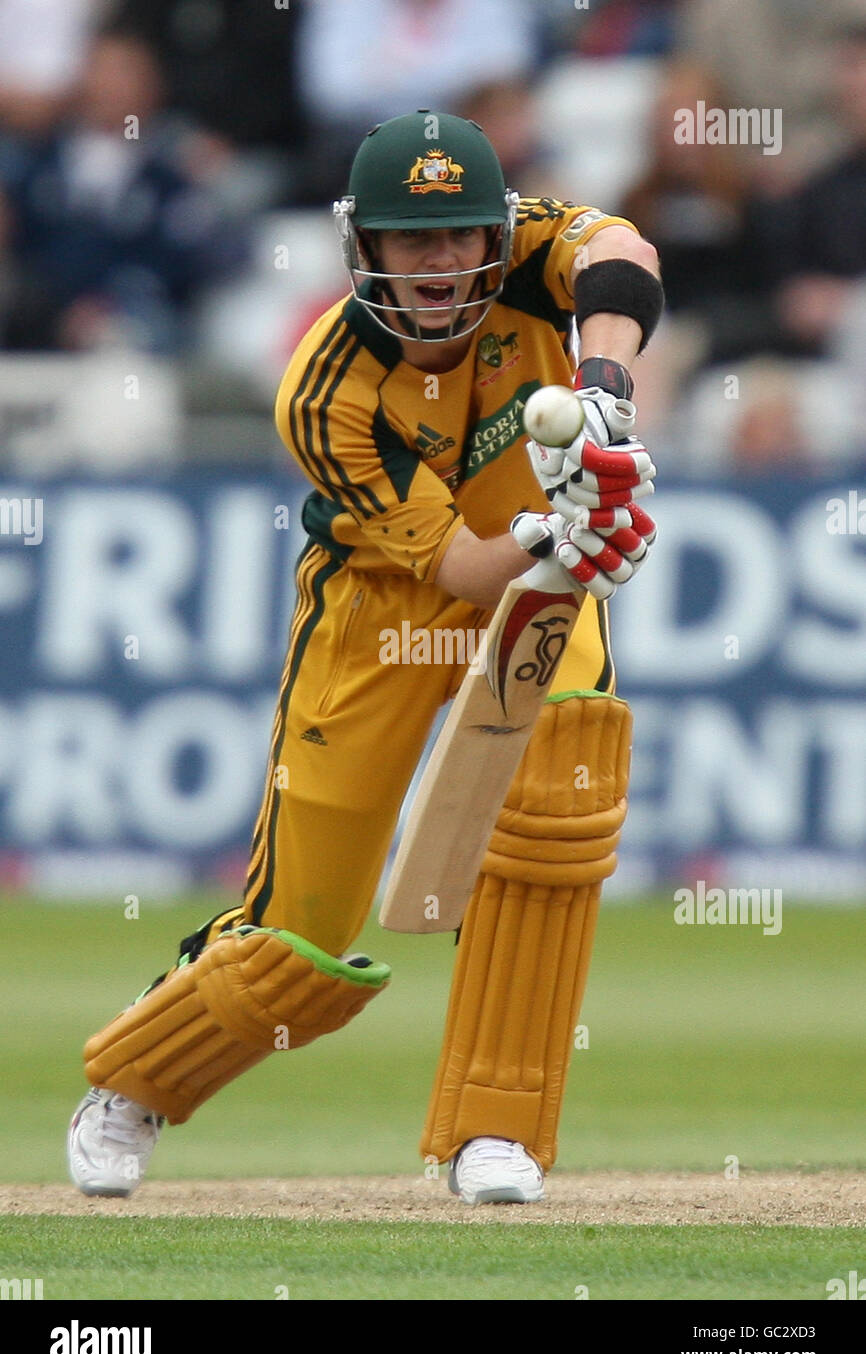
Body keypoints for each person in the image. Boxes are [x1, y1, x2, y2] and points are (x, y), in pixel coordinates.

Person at [67, 111, 663, 1206]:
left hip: (543, 587)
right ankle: (138, 1081)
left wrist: (602, 399)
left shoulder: (530, 250)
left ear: (496, 231)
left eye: (457, 239)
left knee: (557, 800)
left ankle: (496, 1132)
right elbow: (463, 566)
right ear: (364, 247)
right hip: (385, 603)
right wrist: (562, 529)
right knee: (302, 927)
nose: (439, 265)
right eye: (408, 241)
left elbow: (625, 254)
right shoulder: (325, 388)